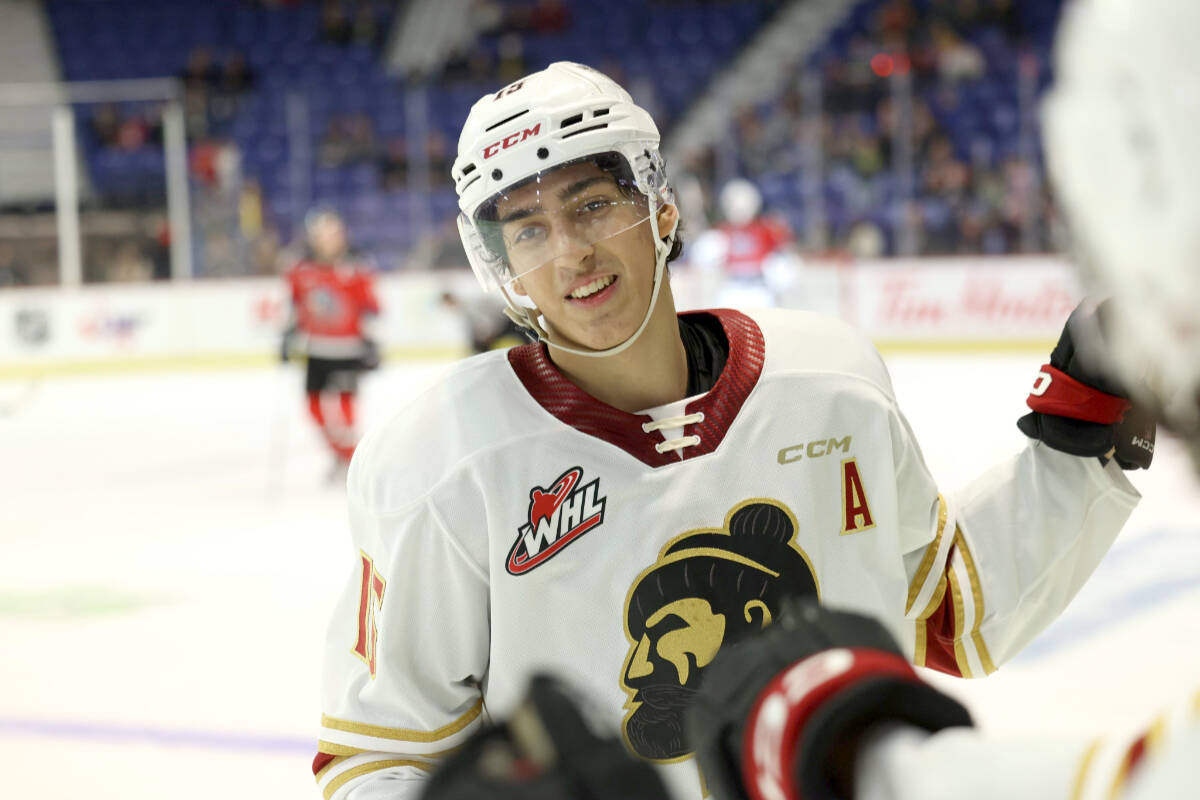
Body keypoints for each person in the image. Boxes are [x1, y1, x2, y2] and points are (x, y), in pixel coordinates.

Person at [313, 62, 1152, 800]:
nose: (569, 252)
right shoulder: (445, 462)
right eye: (528, 229)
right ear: (496, 261)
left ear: (662, 208)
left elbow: (949, 612)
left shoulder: (829, 383)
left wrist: (1081, 436)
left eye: (594, 204)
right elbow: (378, 756)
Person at [281, 208, 380, 476]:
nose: (327, 240)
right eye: (321, 235)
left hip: (347, 348)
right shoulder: (301, 269)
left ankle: (351, 460)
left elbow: (372, 306)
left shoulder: (356, 267)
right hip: (316, 348)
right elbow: (295, 304)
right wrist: (288, 335)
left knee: (346, 407)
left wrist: (371, 339)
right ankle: (340, 452)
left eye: (332, 235)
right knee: (313, 406)